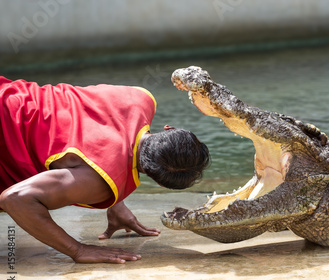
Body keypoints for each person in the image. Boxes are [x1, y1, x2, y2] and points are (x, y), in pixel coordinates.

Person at [0, 76, 210, 264]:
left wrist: (116, 203)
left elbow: (97, 132)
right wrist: (78, 250)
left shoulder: (138, 98)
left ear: (169, 128)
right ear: (159, 182)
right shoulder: (101, 182)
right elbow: (15, 198)